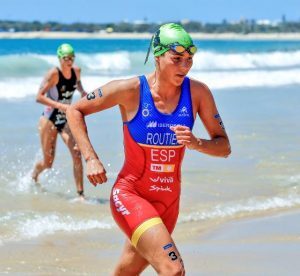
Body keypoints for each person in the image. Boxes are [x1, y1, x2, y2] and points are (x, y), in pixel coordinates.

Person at [67, 23, 231, 274]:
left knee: (127, 272)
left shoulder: (198, 93)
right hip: (131, 195)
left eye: (189, 59)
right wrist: (90, 158)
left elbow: (224, 147)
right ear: (157, 56)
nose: (185, 66)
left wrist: (196, 143)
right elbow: (74, 110)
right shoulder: (131, 90)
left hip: (169, 203)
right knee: (173, 269)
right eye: (176, 59)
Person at [32, 43, 87, 199]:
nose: (69, 61)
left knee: (77, 153)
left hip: (65, 119)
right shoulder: (53, 74)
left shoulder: (77, 71)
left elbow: (77, 84)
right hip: (49, 119)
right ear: (59, 58)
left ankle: (80, 195)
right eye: (65, 58)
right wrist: (61, 105)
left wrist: (83, 92)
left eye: (72, 58)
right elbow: (39, 96)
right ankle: (34, 174)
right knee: (48, 163)